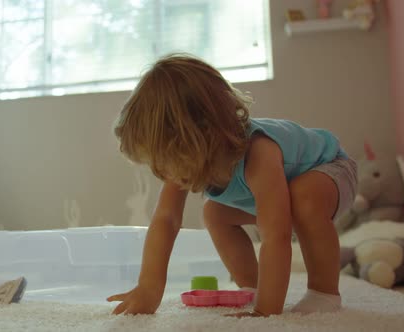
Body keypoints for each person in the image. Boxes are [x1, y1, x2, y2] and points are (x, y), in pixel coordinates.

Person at [107, 54, 357, 317]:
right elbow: (166, 219)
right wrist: (148, 287)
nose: (163, 172)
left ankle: (324, 292)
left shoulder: (259, 153)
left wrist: (266, 313)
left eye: (165, 161)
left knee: (302, 198)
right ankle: (253, 288)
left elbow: (276, 235)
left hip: (331, 171)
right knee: (214, 212)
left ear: (197, 140)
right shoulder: (185, 156)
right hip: (286, 192)